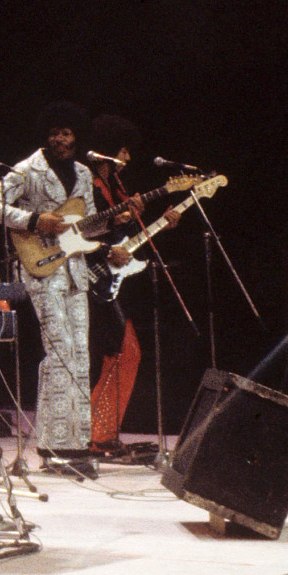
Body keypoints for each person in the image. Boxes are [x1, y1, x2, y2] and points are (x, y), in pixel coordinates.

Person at [0, 101, 132, 479]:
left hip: (75, 271)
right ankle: (54, 444)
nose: (59, 139)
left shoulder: (82, 172)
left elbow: (83, 227)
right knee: (60, 349)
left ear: (76, 137)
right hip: (42, 269)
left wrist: (115, 227)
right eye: (54, 133)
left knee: (80, 353)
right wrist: (34, 219)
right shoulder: (26, 169)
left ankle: (73, 443)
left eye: (66, 133)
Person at [84, 114, 177, 460]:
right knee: (120, 351)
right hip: (89, 275)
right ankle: (95, 433)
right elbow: (81, 231)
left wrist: (160, 226)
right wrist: (114, 230)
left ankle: (101, 432)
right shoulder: (88, 183)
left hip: (110, 278)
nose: (127, 158)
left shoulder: (117, 186)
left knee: (124, 352)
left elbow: (127, 239)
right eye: (123, 151)